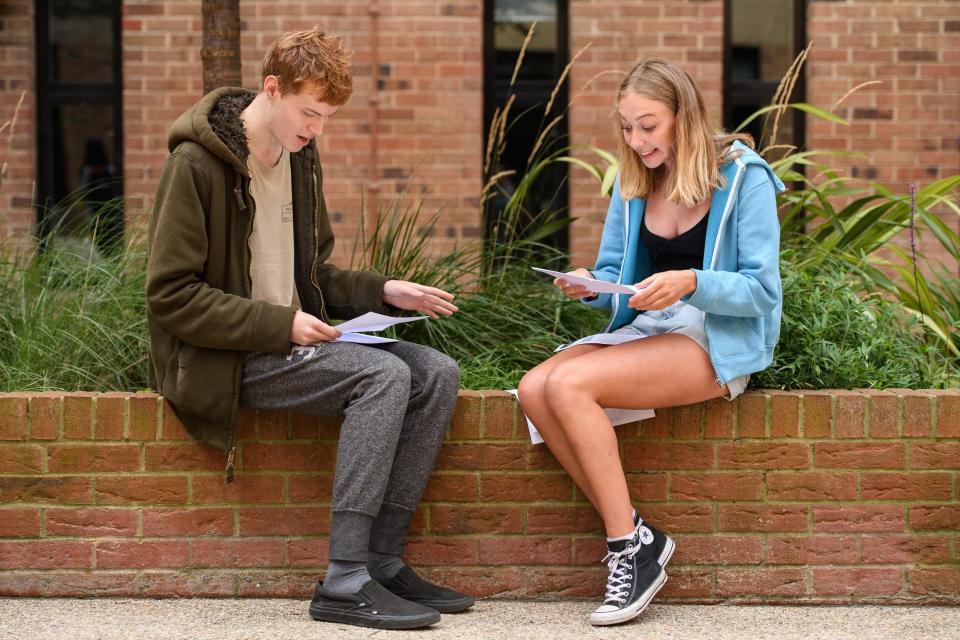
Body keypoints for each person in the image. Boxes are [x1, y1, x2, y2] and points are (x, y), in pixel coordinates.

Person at [146, 26, 474, 630]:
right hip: (231, 358)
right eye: (309, 113)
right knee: (380, 377)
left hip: (293, 340)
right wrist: (281, 325)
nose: (316, 128)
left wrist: (383, 291)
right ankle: (344, 579)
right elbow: (171, 297)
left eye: (325, 117)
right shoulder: (195, 165)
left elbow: (314, 274)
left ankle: (380, 559)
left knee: (436, 374)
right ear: (272, 88)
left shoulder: (299, 158)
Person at [517, 58, 784, 626]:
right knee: (534, 388)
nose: (636, 141)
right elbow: (618, 273)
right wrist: (590, 287)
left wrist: (692, 282)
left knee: (568, 382)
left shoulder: (743, 176)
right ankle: (637, 536)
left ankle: (625, 550)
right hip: (649, 328)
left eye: (648, 125)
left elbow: (762, 291)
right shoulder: (636, 181)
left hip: (712, 335)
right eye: (627, 127)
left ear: (683, 118)